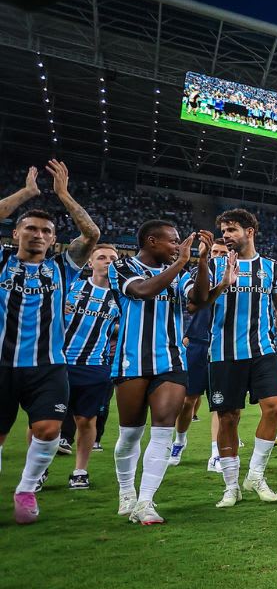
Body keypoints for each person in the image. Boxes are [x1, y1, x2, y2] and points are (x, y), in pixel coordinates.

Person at [0, 161, 99, 524]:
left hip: (47, 365)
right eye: (30, 228)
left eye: (45, 230)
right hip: (2, 363)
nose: (38, 234)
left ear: (53, 239)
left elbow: (91, 234)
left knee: (48, 428)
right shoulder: (1, 261)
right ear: (15, 234)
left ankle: (26, 490)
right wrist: (27, 193)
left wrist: (63, 195)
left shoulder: (62, 267)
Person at [111, 221, 217, 525]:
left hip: (171, 360)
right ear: (151, 240)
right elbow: (143, 291)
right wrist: (183, 260)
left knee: (161, 431)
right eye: (172, 242)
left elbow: (198, 300)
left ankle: (145, 502)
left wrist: (202, 261)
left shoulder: (179, 272)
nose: (176, 246)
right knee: (130, 435)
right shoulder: (122, 266)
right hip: (132, 360)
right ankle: (126, 492)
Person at [205, 208, 277, 508]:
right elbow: (199, 301)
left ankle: (256, 475)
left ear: (249, 232)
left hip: (261, 351)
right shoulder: (213, 266)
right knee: (228, 417)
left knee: (275, 406)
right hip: (224, 352)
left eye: (232, 229)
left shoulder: (272, 268)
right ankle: (230, 486)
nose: (226, 235)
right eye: (224, 230)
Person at [61, 243, 120, 489]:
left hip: (95, 366)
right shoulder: (72, 287)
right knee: (45, 422)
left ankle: (80, 470)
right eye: (102, 257)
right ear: (90, 263)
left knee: (86, 421)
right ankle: (37, 471)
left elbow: (121, 331)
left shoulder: (122, 299)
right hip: (59, 363)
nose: (108, 261)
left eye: (113, 258)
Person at [174, 238, 226, 471]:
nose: (218, 255)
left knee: (219, 403)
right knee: (188, 400)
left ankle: (215, 453)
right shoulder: (196, 274)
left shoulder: (239, 278)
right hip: (196, 343)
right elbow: (194, 303)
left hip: (223, 345)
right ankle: (179, 441)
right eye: (214, 251)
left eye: (223, 252)